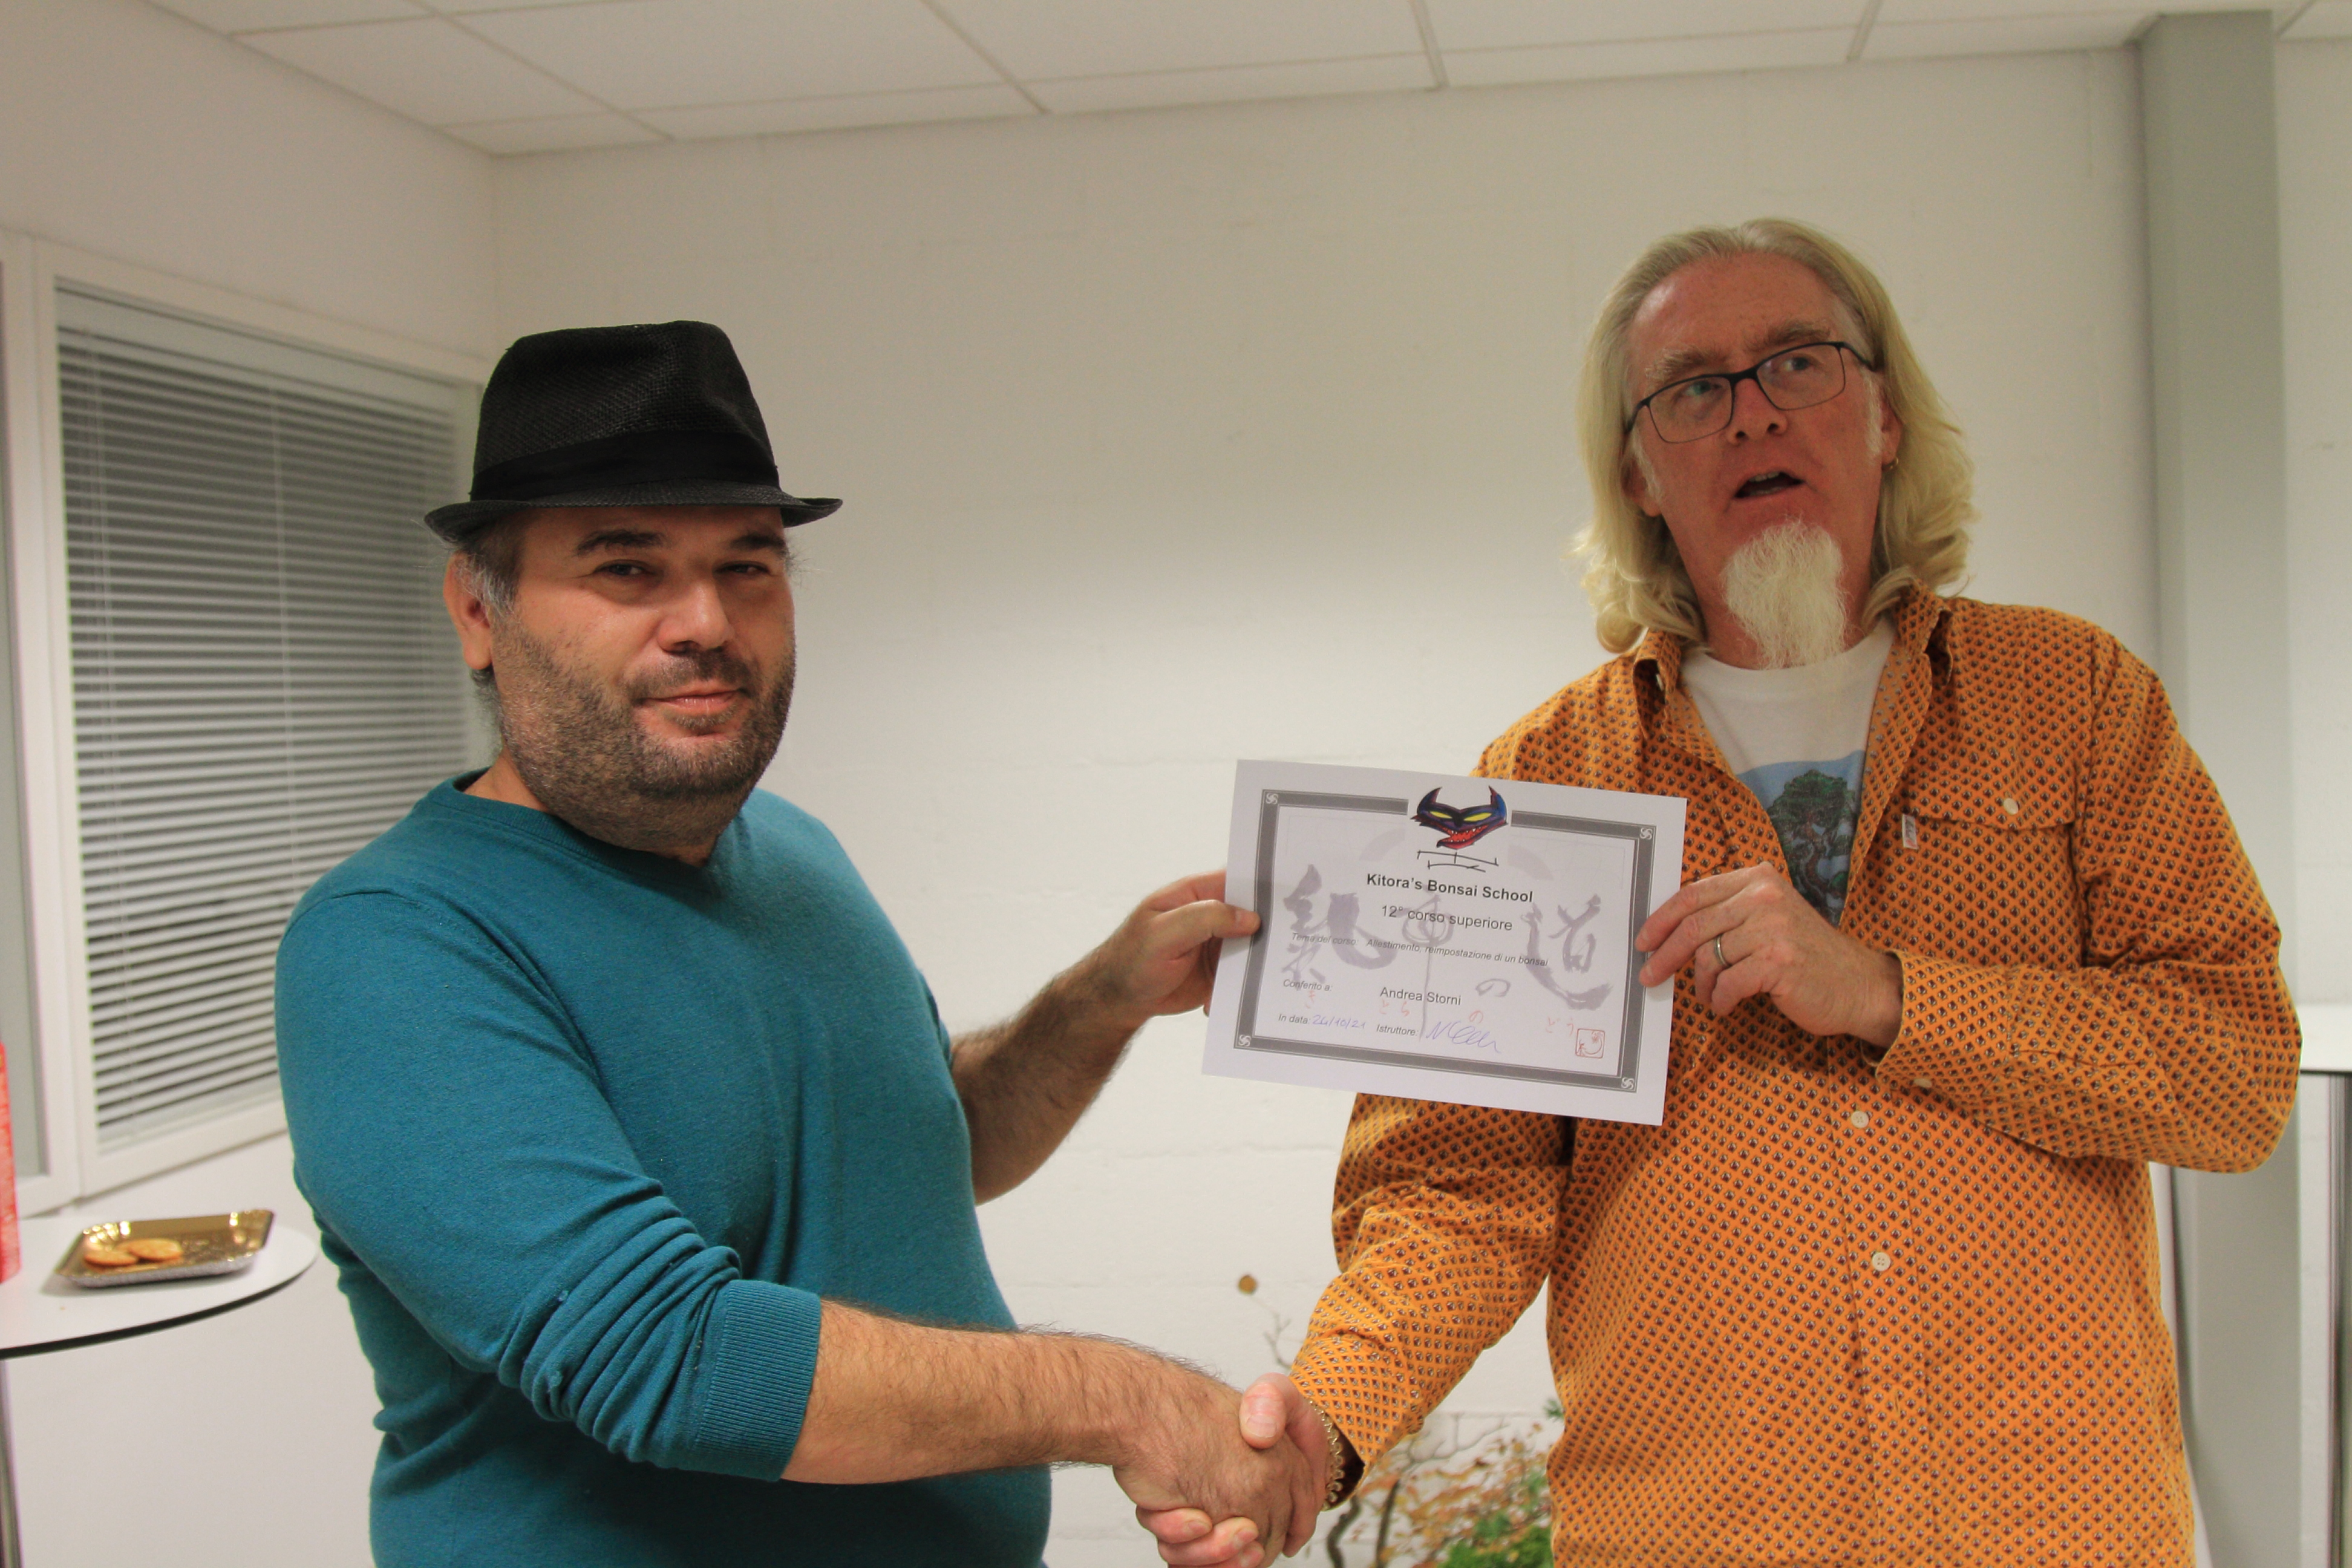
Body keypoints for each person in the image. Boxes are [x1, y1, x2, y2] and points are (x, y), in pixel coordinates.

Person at [1148, 218, 2300, 1566]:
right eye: (1693, 389)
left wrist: (1888, 994)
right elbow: (1458, 1187)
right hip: (1697, 1535)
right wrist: (1327, 1422)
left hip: (2056, 1526)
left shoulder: (2074, 701)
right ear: (1638, 470)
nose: (1753, 414)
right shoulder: (1546, 784)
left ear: (1885, 416)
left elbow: (2236, 1071)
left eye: (1800, 363)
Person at [273, 321, 1319, 1568]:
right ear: (476, 610)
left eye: (748, 565)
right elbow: (672, 1358)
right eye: (627, 568)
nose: (705, 621)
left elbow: (926, 1152)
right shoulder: (398, 944)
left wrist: (1096, 1004)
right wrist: (1130, 1402)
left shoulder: (794, 851)